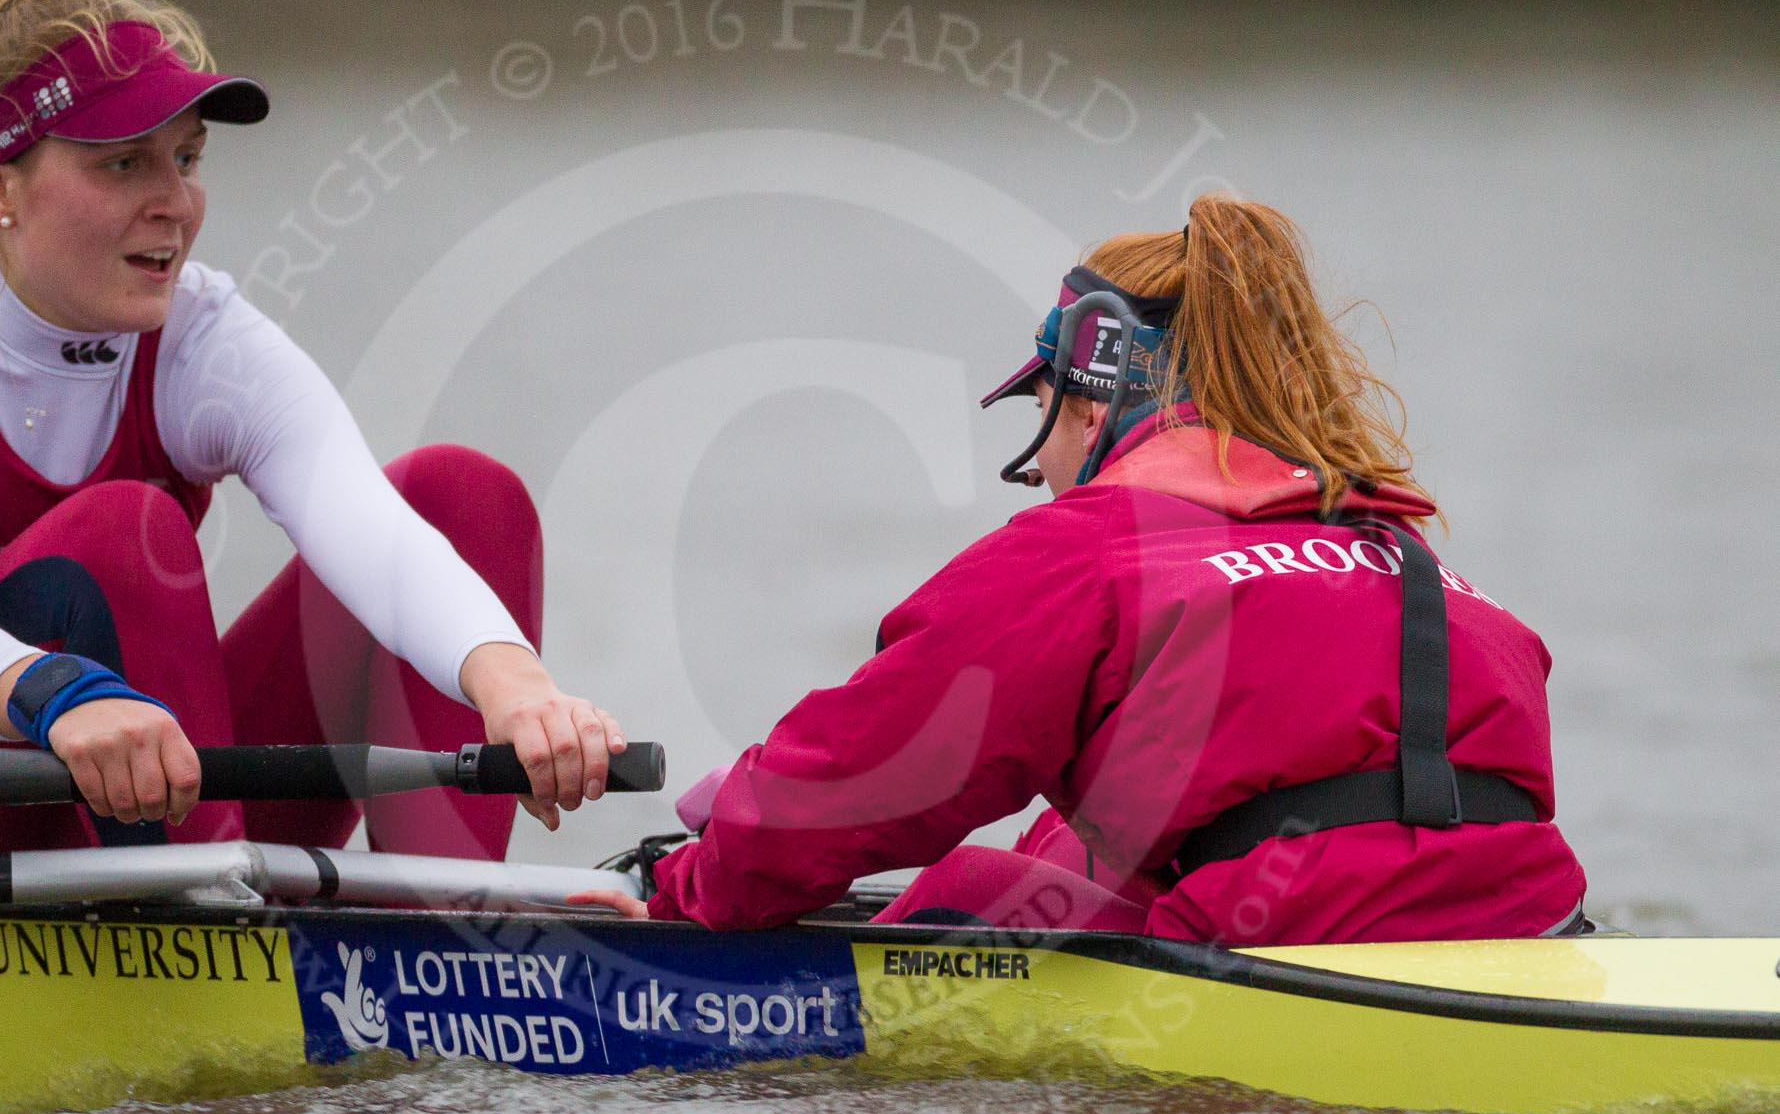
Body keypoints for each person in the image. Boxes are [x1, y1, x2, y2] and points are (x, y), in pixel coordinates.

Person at [0, 0, 623, 863]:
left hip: (138, 801)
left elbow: (374, 536)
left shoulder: (204, 338)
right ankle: (214, 942)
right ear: (1, 189)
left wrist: (518, 687)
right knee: (122, 534)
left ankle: (442, 950)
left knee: (457, 493)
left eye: (187, 157)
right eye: (125, 166)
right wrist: (59, 694)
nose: (177, 202)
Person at [572, 194, 1587, 944]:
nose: (1043, 464)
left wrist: (685, 892)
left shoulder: (1091, 552)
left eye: (1041, 408)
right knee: (1044, 869)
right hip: (1536, 926)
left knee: (973, 896)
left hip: (1300, 946)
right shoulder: (1414, 565)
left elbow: (865, 773)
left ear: (1093, 403)